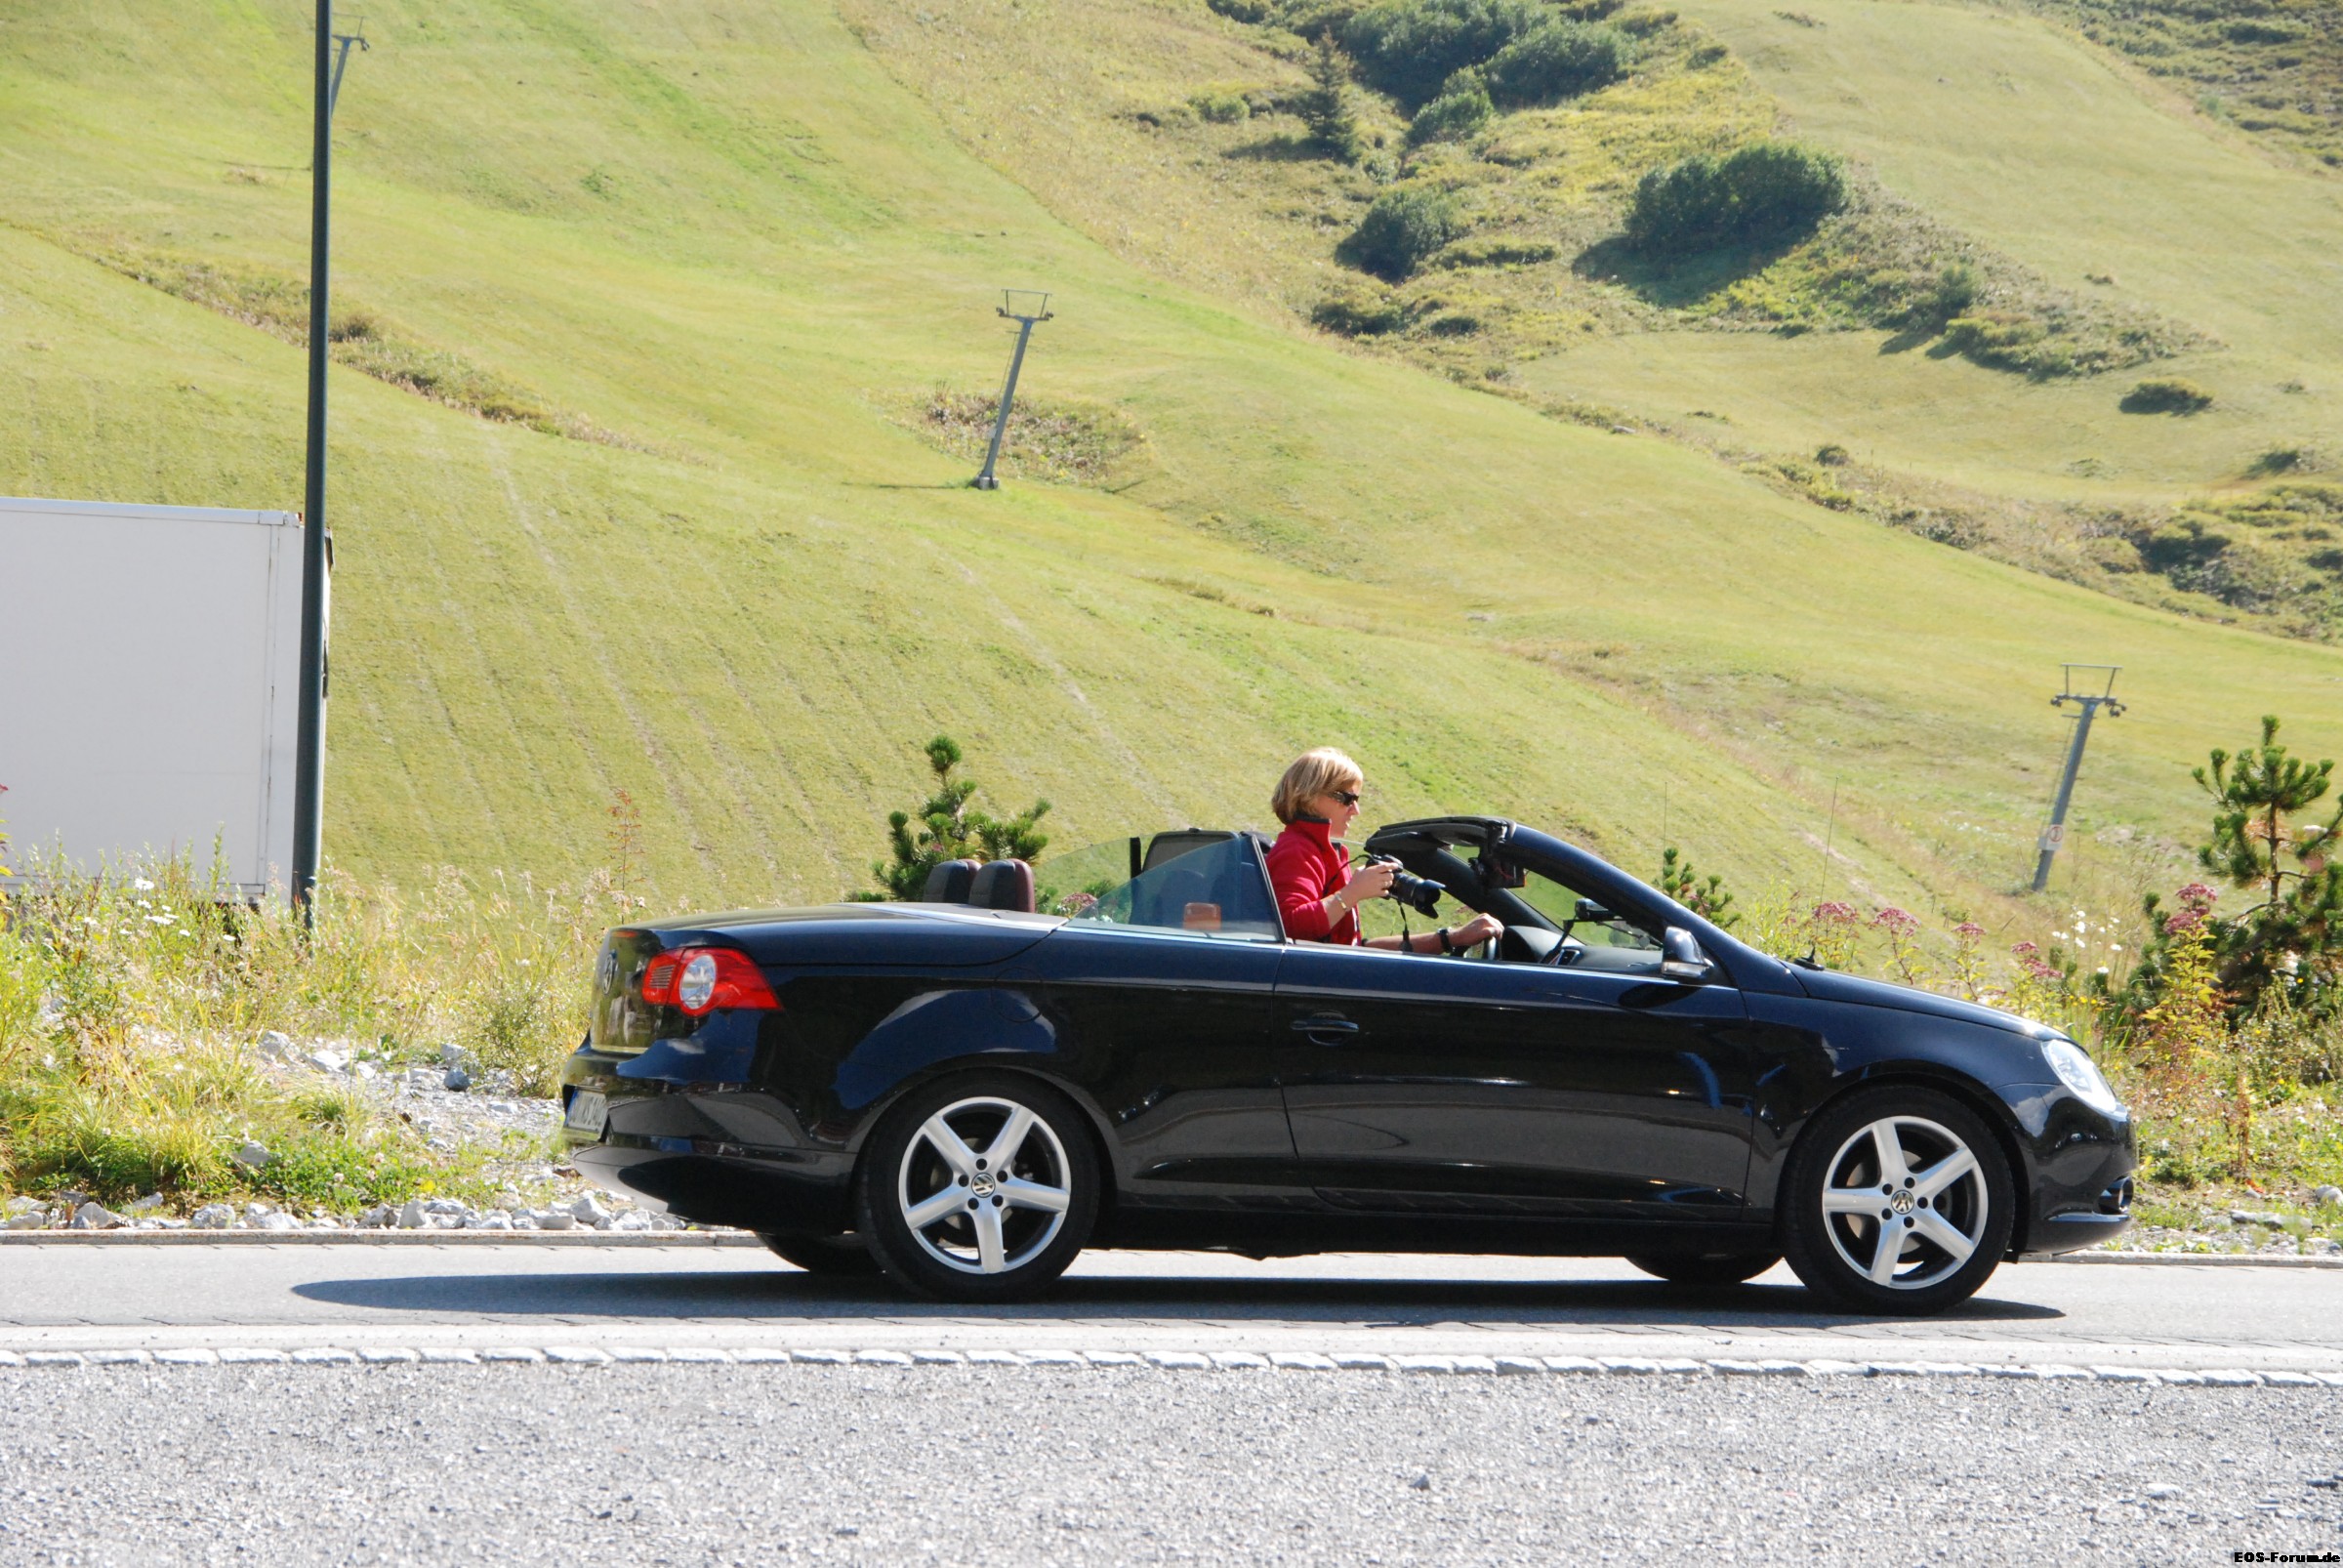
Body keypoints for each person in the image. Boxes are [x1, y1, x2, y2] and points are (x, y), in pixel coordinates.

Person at [1264, 747, 1503, 953]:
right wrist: (1352, 893)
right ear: (1309, 794)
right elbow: (1289, 927)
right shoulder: (1297, 849)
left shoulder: (1321, 850)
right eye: (1347, 799)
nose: (1355, 810)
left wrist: (1450, 939)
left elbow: (1353, 949)